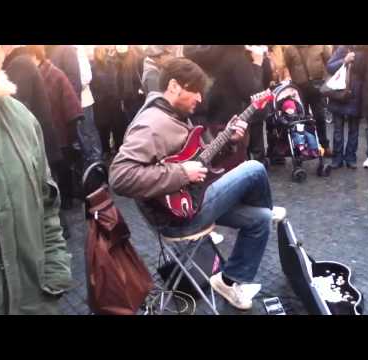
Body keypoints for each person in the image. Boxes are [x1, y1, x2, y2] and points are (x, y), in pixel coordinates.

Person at [109, 58, 286, 310]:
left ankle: (229, 280)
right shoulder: (151, 124)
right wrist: (181, 173)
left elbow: (201, 161)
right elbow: (120, 176)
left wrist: (230, 141)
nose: (200, 99)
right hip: (175, 218)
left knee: (260, 219)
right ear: (174, 86)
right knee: (255, 169)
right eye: (195, 91)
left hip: (191, 199)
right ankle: (264, 205)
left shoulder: (174, 116)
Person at [0, 45, 73, 314]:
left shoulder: (21, 119)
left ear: (3, 52)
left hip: (35, 303)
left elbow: (47, 207)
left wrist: (55, 271)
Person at [25, 45, 85, 211]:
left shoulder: (54, 73)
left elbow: (70, 102)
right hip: (39, 134)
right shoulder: (27, 77)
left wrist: (71, 131)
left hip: (59, 132)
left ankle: (67, 198)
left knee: (62, 167)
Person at [284, 45, 333, 156]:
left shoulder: (322, 46)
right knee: (301, 120)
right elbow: (286, 66)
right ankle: (305, 147)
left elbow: (329, 64)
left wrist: (326, 81)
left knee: (320, 117)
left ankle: (325, 146)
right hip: (299, 89)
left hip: (317, 87)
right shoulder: (290, 48)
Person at [326, 45, 367, 169]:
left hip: (356, 94)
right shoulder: (342, 48)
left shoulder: (365, 50)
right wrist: (344, 60)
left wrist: (358, 59)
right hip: (340, 93)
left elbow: (366, 71)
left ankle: (350, 157)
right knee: (338, 129)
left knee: (354, 129)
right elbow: (330, 66)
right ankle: (337, 158)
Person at [90, 46, 125, 157]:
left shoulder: (97, 65)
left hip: (105, 101)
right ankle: (112, 149)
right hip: (107, 101)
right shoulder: (111, 63)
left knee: (108, 127)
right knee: (110, 127)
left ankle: (110, 150)